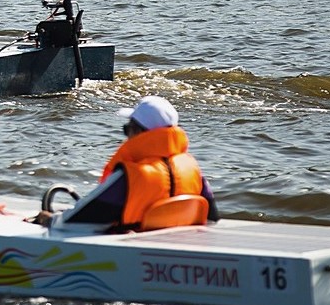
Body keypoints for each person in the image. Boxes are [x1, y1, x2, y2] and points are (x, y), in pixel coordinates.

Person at [44, 96, 217, 232]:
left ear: (139, 132)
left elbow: (76, 221)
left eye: (128, 129)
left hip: (131, 253)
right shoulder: (194, 171)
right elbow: (211, 219)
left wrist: (50, 219)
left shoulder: (130, 176)